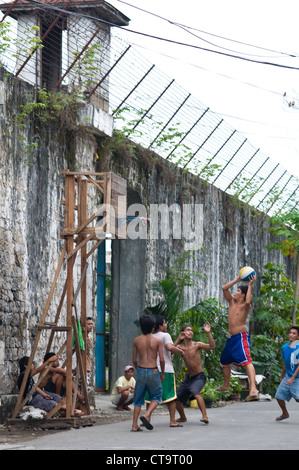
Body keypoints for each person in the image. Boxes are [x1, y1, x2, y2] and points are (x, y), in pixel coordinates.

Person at [216, 275, 259, 401]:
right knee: (224, 362)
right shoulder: (231, 302)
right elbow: (224, 289)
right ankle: (226, 385)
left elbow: (248, 301)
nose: (235, 292)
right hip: (231, 339)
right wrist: (237, 280)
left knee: (247, 361)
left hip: (241, 337)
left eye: (238, 291)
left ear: (243, 295)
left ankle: (253, 388)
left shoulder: (245, 306)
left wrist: (250, 285)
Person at [144, 315, 185, 427]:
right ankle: (172, 421)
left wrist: (177, 341)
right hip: (165, 369)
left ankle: (147, 417)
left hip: (151, 369)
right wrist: (181, 351)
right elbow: (170, 348)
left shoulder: (150, 337)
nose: (166, 325)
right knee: (170, 396)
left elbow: (167, 349)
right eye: (165, 323)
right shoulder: (165, 335)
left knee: (150, 396)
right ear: (160, 325)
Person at [174, 322, 215, 424]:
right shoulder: (180, 347)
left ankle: (205, 416)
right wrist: (179, 339)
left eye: (191, 330)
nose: (190, 332)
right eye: (188, 330)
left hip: (199, 376)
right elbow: (170, 350)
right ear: (183, 332)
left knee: (196, 392)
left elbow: (211, 347)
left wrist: (208, 333)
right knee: (176, 398)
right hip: (189, 378)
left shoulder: (197, 345)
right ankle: (183, 417)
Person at [131, 314, 165, 432]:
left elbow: (134, 359)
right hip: (153, 370)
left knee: (138, 399)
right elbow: (161, 359)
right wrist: (162, 373)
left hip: (141, 370)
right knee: (156, 396)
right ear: (153, 327)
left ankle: (134, 425)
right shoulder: (158, 340)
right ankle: (147, 415)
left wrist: (138, 368)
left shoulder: (137, 340)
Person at [275, 326, 299, 421]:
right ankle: (285, 413)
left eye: (294, 333)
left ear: (297, 337)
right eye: (290, 333)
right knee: (278, 397)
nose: (291, 335)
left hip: (296, 378)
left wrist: (292, 378)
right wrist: (282, 376)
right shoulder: (284, 347)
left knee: (298, 399)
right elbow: (285, 363)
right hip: (287, 376)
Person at [86, 317, 94, 389]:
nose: (91, 326)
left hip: (88, 366)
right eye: (88, 324)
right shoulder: (81, 337)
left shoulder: (90, 337)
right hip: (83, 367)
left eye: (91, 324)